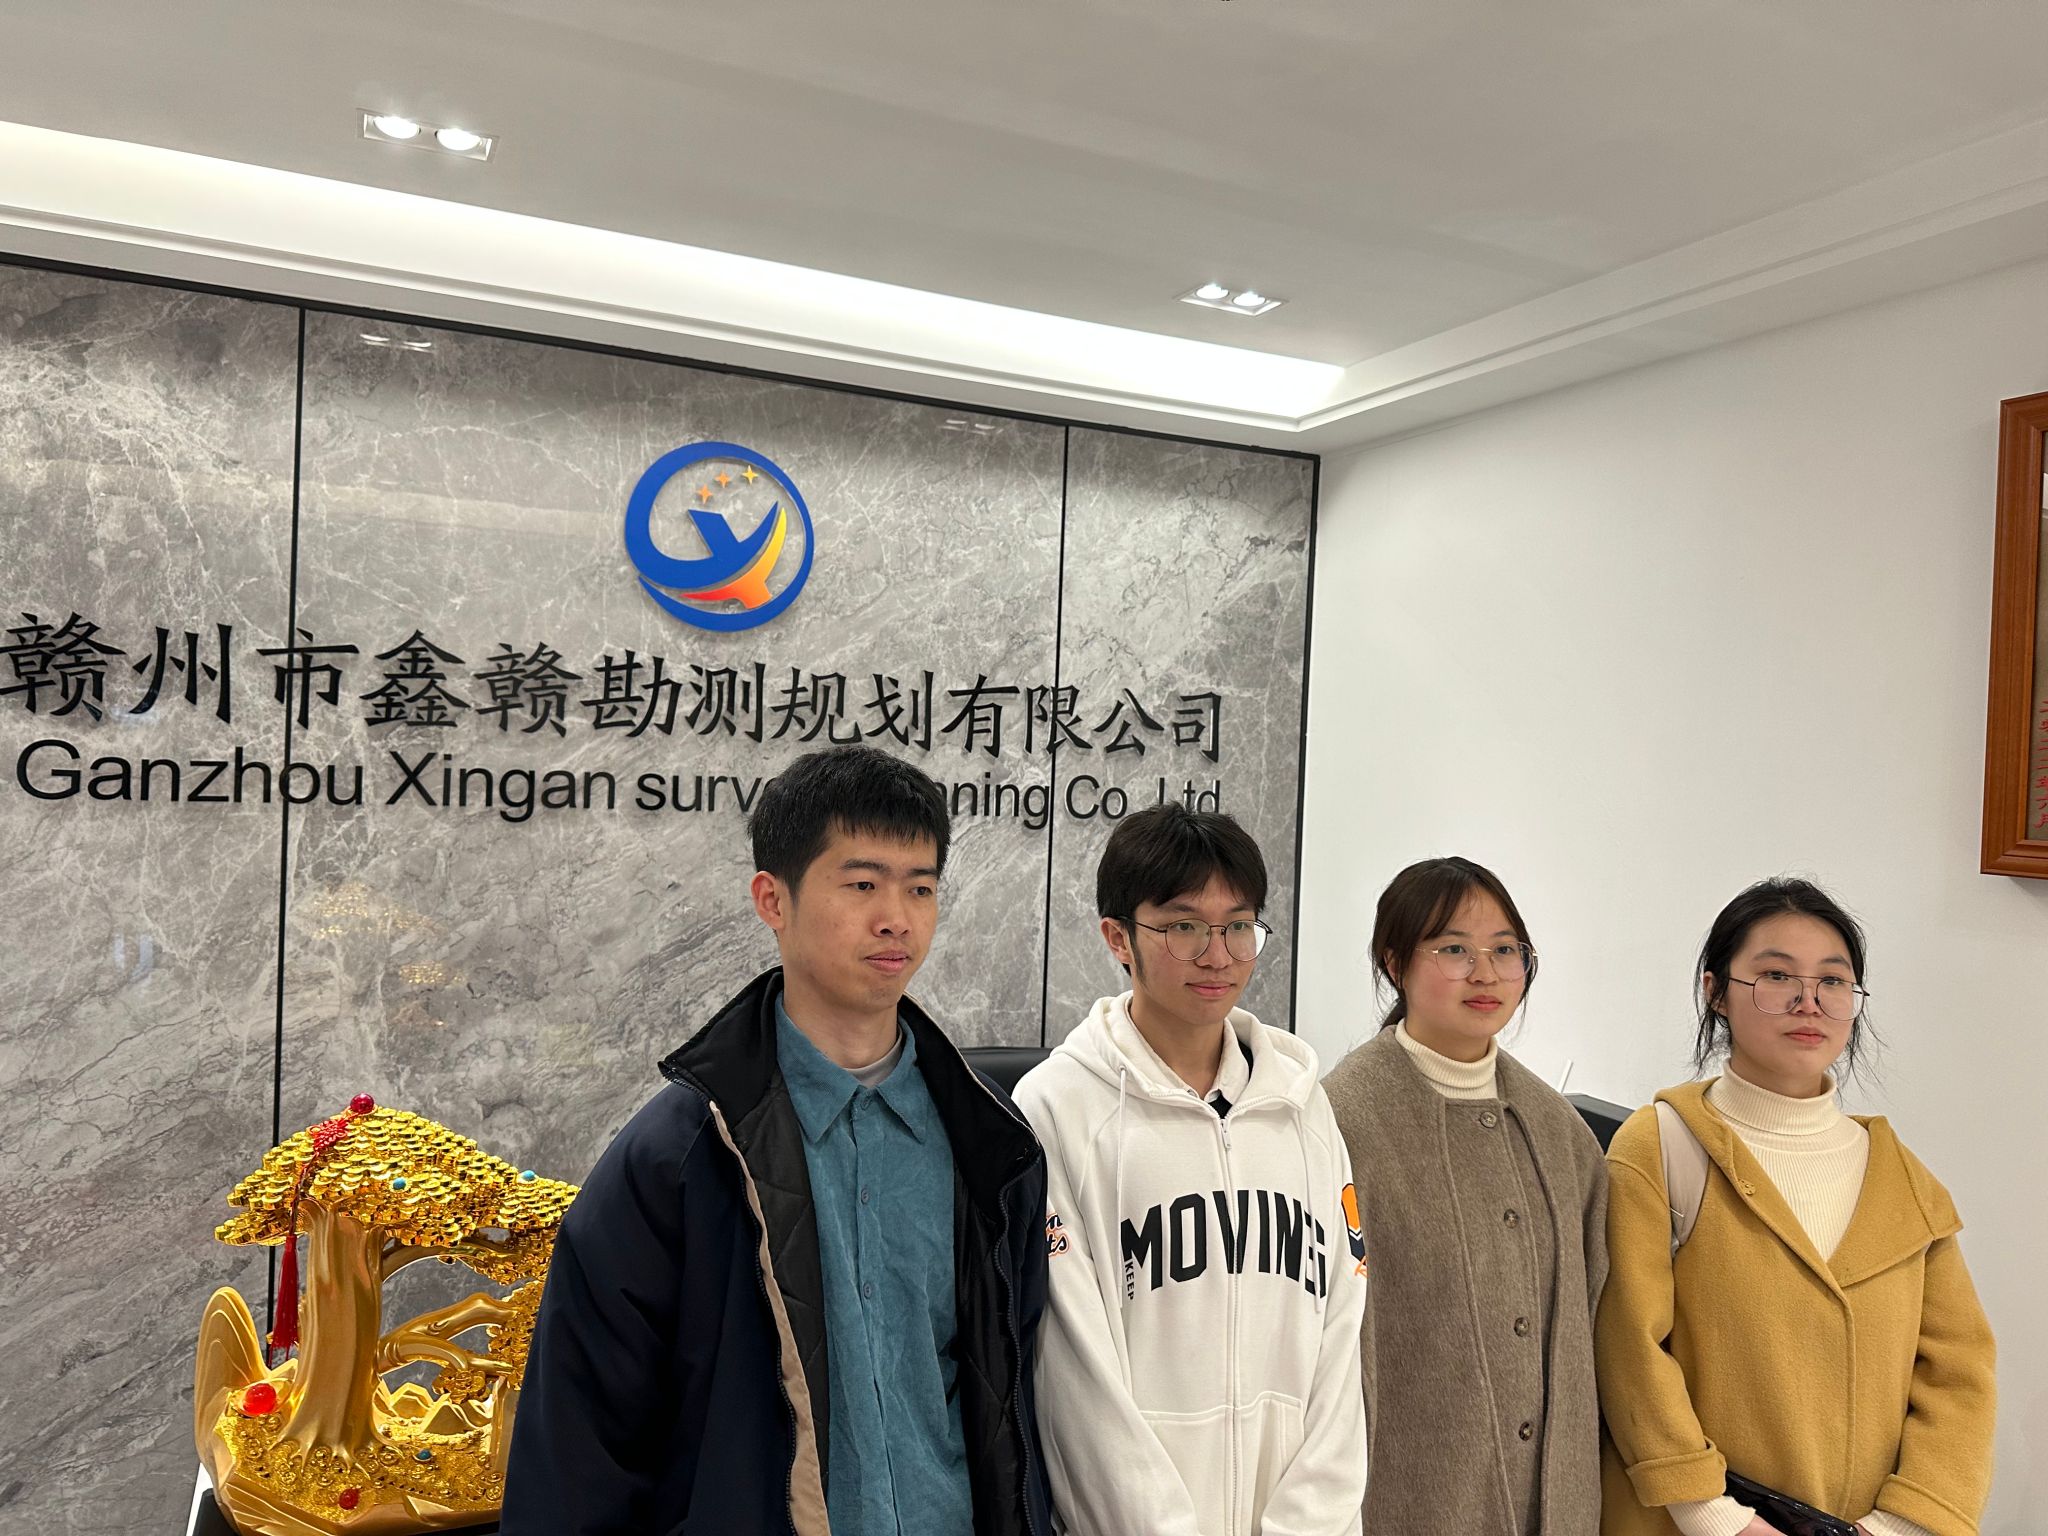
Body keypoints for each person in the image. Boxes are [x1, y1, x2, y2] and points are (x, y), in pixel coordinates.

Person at [501, 745, 1052, 1536]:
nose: (897, 918)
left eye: (920, 887)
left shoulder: (992, 1144)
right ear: (772, 899)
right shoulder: (679, 1156)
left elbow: (1017, 1406)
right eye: (862, 884)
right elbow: (580, 1448)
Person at [1596, 878, 1996, 1536]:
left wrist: (1897, 1525)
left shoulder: (1903, 1181)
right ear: (1716, 991)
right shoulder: (1663, 1145)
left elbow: (1960, 1372)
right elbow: (1628, 1347)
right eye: (1776, 975)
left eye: (1833, 981)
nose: (1808, 1002)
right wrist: (1715, 1516)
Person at [1014, 803, 1367, 1536]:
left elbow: (1342, 1328)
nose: (1218, 956)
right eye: (1184, 928)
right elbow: (1074, 1370)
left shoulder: (1304, 1106)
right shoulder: (1058, 1107)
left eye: (1239, 926)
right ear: (1119, 937)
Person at [1322, 856, 1608, 1536]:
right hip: (1406, 1499)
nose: (1486, 973)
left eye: (1505, 951)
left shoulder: (1557, 1128)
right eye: (1454, 949)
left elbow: (1602, 1315)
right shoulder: (1338, 1118)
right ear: (1395, 962)